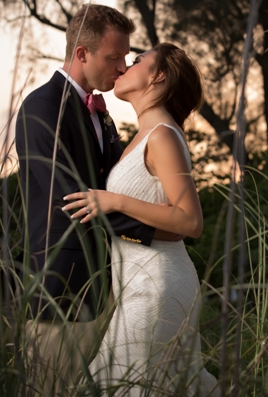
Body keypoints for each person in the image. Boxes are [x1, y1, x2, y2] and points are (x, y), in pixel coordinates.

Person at [15, 3, 182, 395]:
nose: (123, 66)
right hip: (63, 293)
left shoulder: (101, 114)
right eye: (114, 57)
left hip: (108, 287)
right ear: (81, 54)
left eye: (127, 56)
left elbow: (114, 187)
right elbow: (74, 201)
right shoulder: (41, 109)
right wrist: (158, 229)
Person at [63, 43, 219, 396]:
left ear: (158, 75)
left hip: (158, 286)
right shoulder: (142, 137)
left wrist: (115, 200)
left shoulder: (163, 135)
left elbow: (190, 222)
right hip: (136, 284)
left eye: (136, 61)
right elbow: (168, 226)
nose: (124, 68)